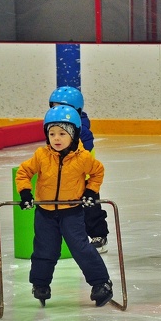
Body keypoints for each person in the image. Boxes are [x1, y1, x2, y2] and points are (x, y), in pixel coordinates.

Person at [15, 105, 113, 307]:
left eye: (62, 133)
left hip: (72, 212)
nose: (56, 138)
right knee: (44, 250)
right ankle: (40, 284)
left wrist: (90, 191)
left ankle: (101, 283)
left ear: (74, 135)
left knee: (81, 248)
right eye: (52, 134)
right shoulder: (41, 155)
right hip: (45, 213)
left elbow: (97, 172)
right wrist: (25, 192)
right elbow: (24, 172)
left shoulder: (83, 158)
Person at [49, 86, 110, 254]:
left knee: (90, 207)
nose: (57, 111)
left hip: (85, 176)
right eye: (54, 107)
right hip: (65, 176)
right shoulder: (54, 126)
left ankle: (99, 236)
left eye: (62, 107)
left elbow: (83, 152)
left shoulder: (82, 129)